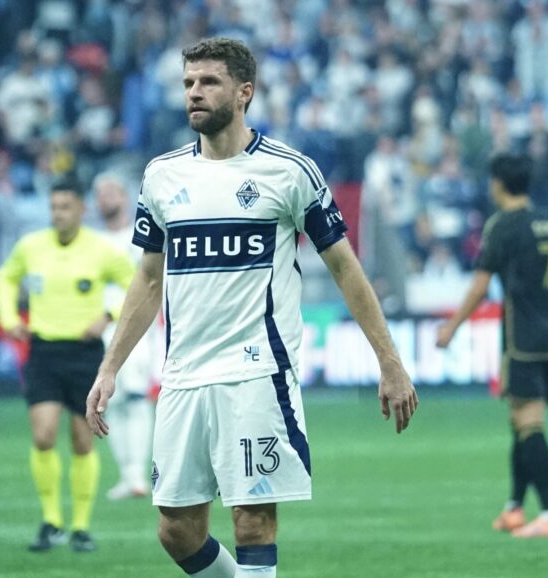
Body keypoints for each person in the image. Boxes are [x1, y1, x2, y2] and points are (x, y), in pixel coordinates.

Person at [85, 37, 418, 577]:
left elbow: (345, 269)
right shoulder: (162, 177)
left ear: (245, 92)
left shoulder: (290, 172)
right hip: (184, 375)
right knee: (176, 528)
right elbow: (147, 281)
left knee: (252, 521)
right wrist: (111, 366)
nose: (194, 92)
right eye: (189, 82)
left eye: (208, 82)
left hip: (256, 372)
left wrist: (390, 361)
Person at [437, 153, 548, 538]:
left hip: (521, 339)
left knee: (529, 422)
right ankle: (515, 508)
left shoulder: (502, 226)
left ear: (499, 184)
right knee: (518, 420)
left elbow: (481, 286)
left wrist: (451, 328)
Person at [0, 177, 135, 553]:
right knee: (42, 436)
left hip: (84, 354)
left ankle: (81, 526)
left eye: (65, 207)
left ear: (81, 210)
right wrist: (9, 318)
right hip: (42, 350)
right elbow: (7, 278)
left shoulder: (100, 250)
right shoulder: (31, 247)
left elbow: (137, 285)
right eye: (54, 207)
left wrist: (107, 315)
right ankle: (51, 520)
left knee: (81, 440)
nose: (58, 214)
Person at [94, 171, 157, 500]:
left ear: (124, 196)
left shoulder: (140, 238)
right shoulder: (92, 242)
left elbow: (148, 285)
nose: (106, 199)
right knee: (109, 402)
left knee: (135, 397)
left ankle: (139, 474)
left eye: (111, 192)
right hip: (98, 332)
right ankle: (128, 475)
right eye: (100, 194)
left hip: (135, 329)